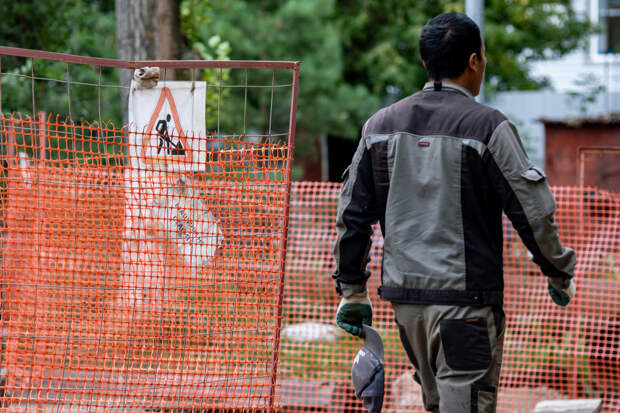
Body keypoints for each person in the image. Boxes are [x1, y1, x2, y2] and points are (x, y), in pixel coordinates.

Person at [332, 12, 576, 413]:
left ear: (425, 61)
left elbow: (352, 215)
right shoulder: (488, 127)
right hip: (466, 308)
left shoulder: (380, 125)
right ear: (474, 61)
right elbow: (531, 211)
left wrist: (352, 290)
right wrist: (558, 270)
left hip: (407, 309)